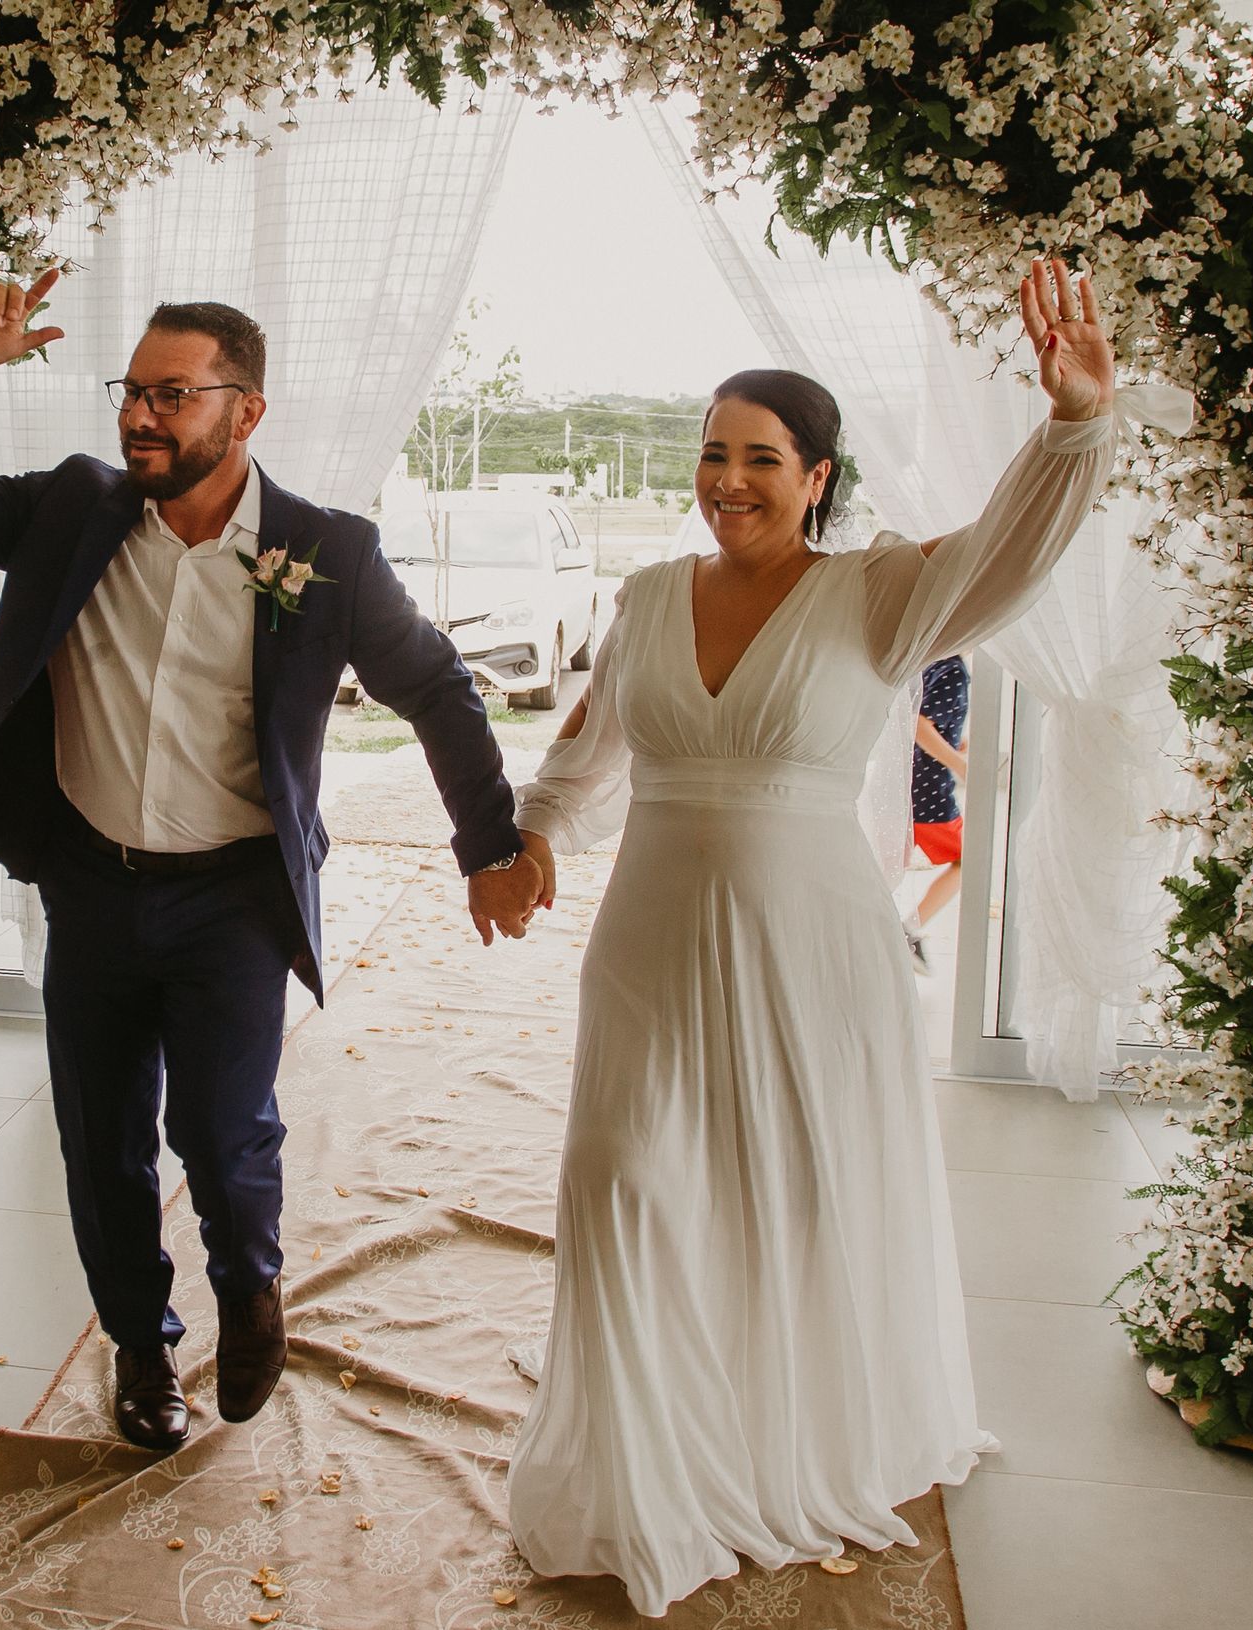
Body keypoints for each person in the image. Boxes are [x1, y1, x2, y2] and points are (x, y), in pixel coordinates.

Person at [504, 259, 1187, 1616]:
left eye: (761, 457)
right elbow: (585, 750)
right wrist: (530, 842)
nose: (729, 478)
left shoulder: (879, 591)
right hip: (644, 943)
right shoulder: (643, 595)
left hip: (812, 948)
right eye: (712, 453)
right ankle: (645, 1452)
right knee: (622, 1180)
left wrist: (1075, 427)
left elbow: (1010, 550)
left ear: (817, 475)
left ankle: (788, 1430)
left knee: (791, 1195)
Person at [0, 273, 545, 1452]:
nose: (141, 416)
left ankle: (249, 1284)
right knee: (101, 1136)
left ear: (248, 411)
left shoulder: (325, 552)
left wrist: (488, 842)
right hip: (87, 884)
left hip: (232, 894)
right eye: (132, 392)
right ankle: (140, 1342)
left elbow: (434, 686)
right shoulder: (72, 510)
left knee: (224, 1134)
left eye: (172, 395)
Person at [904, 653, 970, 972]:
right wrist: (962, 766)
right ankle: (907, 932)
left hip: (916, 784)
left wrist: (958, 745)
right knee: (970, 862)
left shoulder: (935, 663)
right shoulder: (954, 671)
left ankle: (904, 931)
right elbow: (920, 726)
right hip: (930, 790)